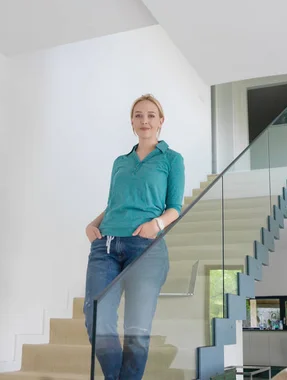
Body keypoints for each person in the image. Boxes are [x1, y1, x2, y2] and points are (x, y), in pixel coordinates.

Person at [83, 94, 185, 380]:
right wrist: (93, 223)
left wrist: (157, 223)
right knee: (95, 317)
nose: (145, 120)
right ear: (131, 122)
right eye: (138, 115)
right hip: (105, 245)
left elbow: (175, 207)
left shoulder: (172, 159)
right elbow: (115, 202)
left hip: (145, 247)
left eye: (151, 115)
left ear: (161, 121)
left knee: (137, 330)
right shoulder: (120, 162)